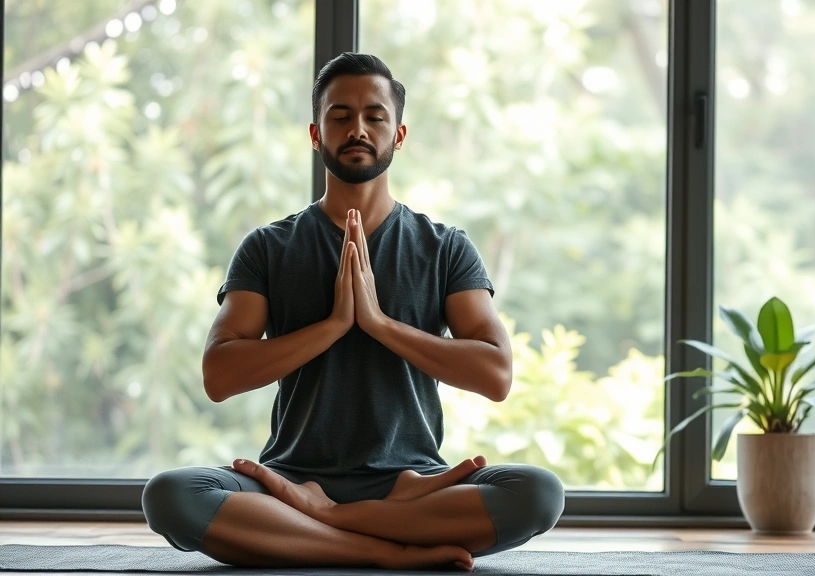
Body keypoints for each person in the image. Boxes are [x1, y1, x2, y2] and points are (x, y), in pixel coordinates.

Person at [141, 52, 565, 571]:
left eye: (374, 116)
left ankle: (323, 524)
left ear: (399, 135)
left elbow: (496, 374)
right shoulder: (267, 247)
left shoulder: (445, 247)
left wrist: (381, 325)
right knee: (171, 495)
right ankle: (380, 547)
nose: (357, 129)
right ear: (316, 133)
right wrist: (334, 325)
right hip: (292, 479)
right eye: (340, 116)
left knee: (538, 493)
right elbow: (219, 375)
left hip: (412, 484)